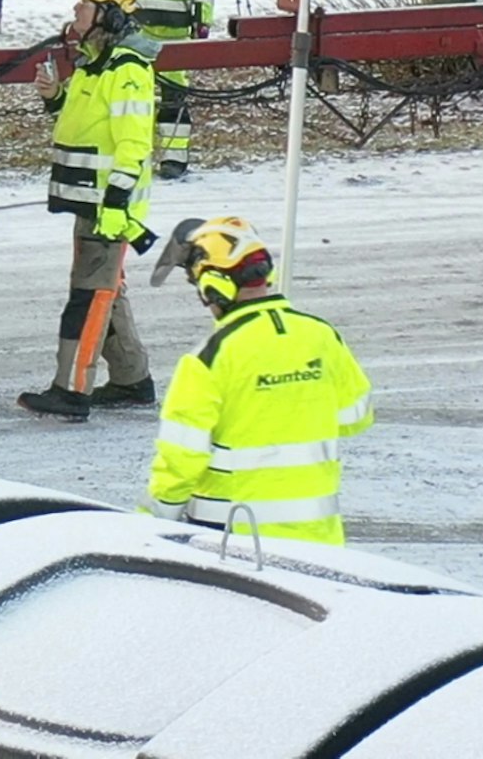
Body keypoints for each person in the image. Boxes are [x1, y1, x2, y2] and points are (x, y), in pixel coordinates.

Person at [138, 215, 372, 545]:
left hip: (234, 543)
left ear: (213, 284)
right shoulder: (321, 335)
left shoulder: (209, 358)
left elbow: (181, 460)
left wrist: (150, 524)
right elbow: (356, 418)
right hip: (320, 539)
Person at [19, 0, 162, 421]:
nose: (76, 11)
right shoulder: (95, 64)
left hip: (106, 205)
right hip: (91, 200)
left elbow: (134, 144)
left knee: (89, 295)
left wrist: (117, 199)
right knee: (105, 289)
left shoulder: (127, 69)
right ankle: (132, 380)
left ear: (109, 15)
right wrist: (54, 97)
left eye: (85, 4)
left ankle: (71, 390)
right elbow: (85, 123)